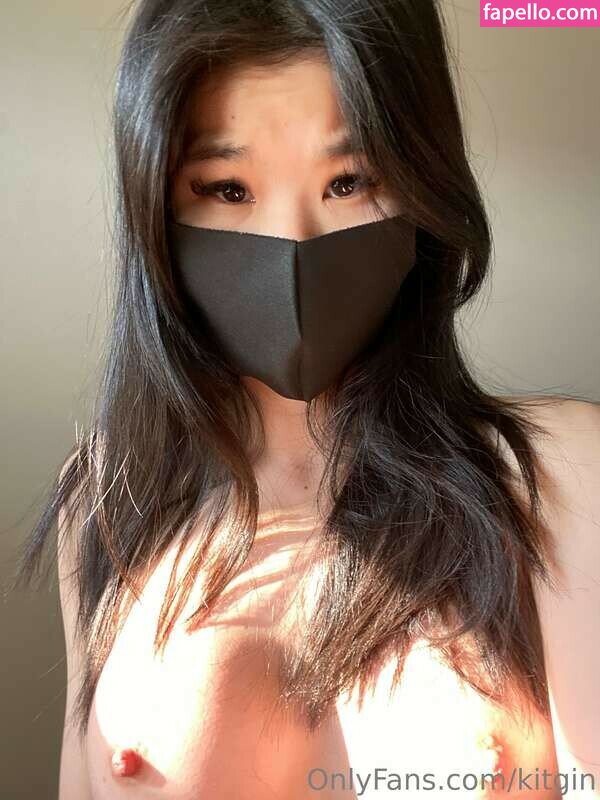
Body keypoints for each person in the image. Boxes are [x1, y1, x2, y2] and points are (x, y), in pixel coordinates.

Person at [11, 1, 600, 798]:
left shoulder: (561, 475)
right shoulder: (110, 501)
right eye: (227, 188)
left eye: (348, 182)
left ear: (422, 189)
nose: (293, 242)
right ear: (156, 207)